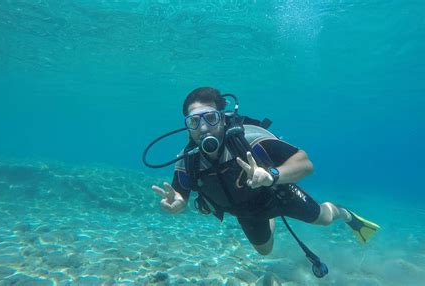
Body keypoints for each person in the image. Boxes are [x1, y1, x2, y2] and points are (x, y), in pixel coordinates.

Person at [150, 87, 379, 260]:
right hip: (247, 212)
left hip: (278, 192)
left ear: (223, 117)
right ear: (187, 126)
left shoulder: (250, 137)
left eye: (210, 118)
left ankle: (347, 215)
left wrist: (272, 175)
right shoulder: (187, 160)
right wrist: (178, 204)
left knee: (324, 218)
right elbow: (180, 194)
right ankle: (269, 218)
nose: (203, 128)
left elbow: (306, 163)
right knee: (264, 251)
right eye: (194, 121)